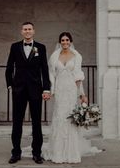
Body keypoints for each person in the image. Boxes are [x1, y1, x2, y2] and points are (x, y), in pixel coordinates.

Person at [45, 32, 100, 163]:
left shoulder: (76, 56)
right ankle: (58, 152)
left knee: (70, 118)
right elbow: (52, 74)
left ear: (70, 41)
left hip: (71, 90)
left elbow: (78, 76)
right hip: (59, 90)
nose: (65, 42)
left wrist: (82, 94)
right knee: (60, 117)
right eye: (62, 40)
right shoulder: (54, 56)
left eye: (67, 40)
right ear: (59, 42)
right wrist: (51, 90)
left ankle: (71, 153)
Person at [5, 22, 51, 165]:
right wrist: (10, 85)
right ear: (21, 32)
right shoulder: (15, 47)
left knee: (36, 123)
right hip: (18, 90)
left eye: (29, 29)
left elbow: (44, 69)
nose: (27, 31)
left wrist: (46, 88)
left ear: (33, 31)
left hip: (36, 90)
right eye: (25, 29)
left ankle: (37, 153)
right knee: (17, 122)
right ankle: (16, 153)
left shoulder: (41, 47)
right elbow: (9, 67)